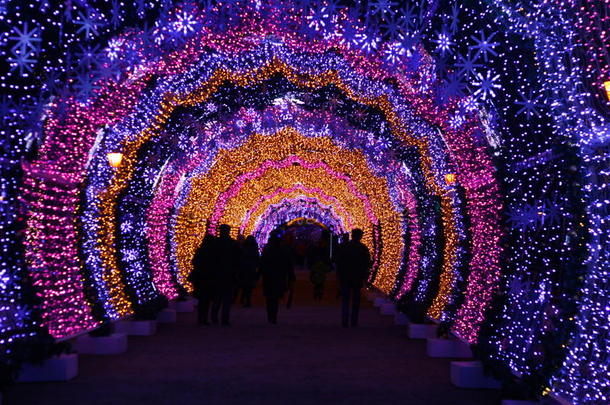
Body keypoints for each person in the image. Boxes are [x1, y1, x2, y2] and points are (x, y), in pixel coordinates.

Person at [335, 228, 371, 327]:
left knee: (345, 300)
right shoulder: (363, 248)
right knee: (356, 300)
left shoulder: (344, 246)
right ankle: (354, 321)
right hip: (357, 278)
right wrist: (364, 276)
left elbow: (339, 262)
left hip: (345, 277)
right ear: (360, 236)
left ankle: (345, 320)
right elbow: (367, 263)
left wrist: (339, 275)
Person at [210, 224, 242, 326]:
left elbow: (211, 259)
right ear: (228, 231)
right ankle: (225, 319)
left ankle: (214, 318)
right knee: (227, 299)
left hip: (217, 274)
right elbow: (239, 259)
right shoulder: (233, 244)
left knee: (217, 298)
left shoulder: (215, 243)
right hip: (229, 274)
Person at [259, 231, 293, 324]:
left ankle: (270, 315)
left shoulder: (267, 251)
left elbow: (262, 264)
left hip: (269, 277)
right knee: (275, 298)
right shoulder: (283, 251)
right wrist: (290, 276)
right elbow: (288, 265)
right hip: (279, 277)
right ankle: (273, 316)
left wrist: (259, 274)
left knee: (269, 298)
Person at [189, 232, 217, 325]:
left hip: (200, 278)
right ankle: (205, 318)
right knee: (207, 299)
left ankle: (200, 318)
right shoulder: (214, 253)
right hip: (210, 278)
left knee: (202, 299)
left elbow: (194, 262)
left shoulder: (200, 251)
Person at [307, 230, 332, 300]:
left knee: (317, 280)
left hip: (316, 266)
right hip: (320, 266)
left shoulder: (314, 249)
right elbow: (327, 258)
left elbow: (311, 257)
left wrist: (310, 265)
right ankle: (319, 292)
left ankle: (317, 292)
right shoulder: (323, 250)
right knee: (320, 280)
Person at [237, 235, 260, 308]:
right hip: (251, 269)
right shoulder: (254, 248)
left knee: (245, 284)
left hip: (244, 268)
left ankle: (244, 299)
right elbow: (257, 259)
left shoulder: (244, 247)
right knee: (249, 285)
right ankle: (246, 300)